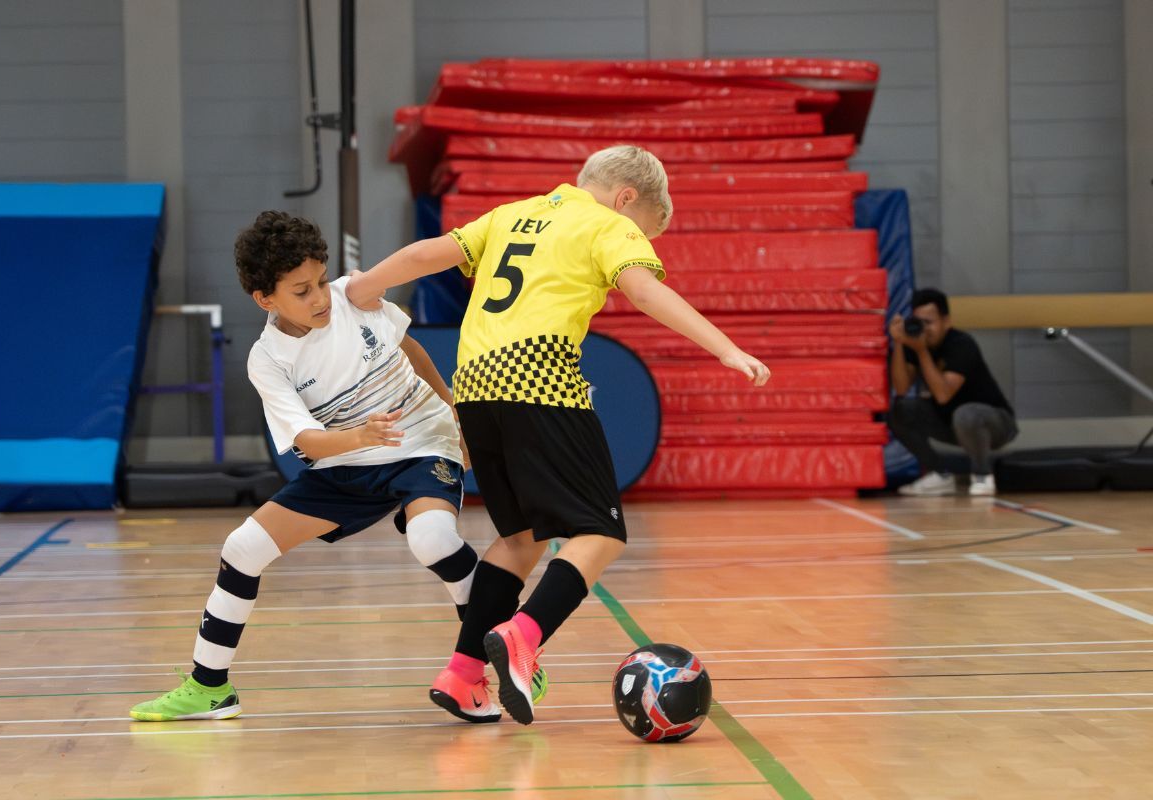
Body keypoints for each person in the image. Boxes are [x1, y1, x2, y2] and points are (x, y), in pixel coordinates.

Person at [344, 144, 771, 725]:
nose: (641, 240)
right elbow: (644, 291)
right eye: (643, 230)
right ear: (626, 199)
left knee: (520, 539)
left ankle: (464, 674)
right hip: (540, 378)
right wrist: (727, 348)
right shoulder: (604, 224)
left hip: (473, 385)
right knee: (601, 532)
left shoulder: (512, 213)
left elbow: (426, 255)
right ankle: (524, 636)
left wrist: (360, 290)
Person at [130, 211, 491, 722]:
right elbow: (308, 444)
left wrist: (453, 409)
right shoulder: (267, 360)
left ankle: (496, 651)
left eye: (321, 280)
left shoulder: (354, 298)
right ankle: (209, 687)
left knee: (432, 538)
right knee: (242, 548)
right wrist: (359, 436)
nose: (321, 297)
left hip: (421, 443)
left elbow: (408, 347)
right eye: (302, 291)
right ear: (265, 299)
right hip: (347, 458)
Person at [888, 288, 1018, 496]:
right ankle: (940, 475)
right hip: (953, 424)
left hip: (994, 423)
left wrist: (921, 352)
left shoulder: (961, 344)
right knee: (899, 410)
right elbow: (901, 389)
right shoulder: (915, 344)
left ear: (946, 321)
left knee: (966, 414)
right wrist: (899, 343)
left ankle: (982, 475)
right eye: (919, 322)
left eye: (929, 322)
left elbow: (943, 394)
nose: (924, 329)